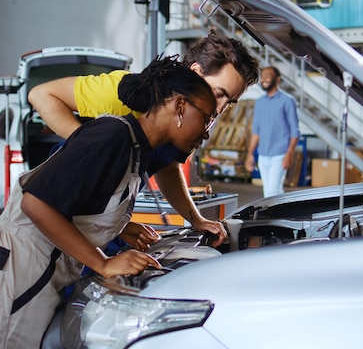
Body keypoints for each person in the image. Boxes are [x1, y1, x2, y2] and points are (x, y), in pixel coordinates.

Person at [0, 56, 218, 348]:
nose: (207, 131)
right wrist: (103, 262)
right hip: (14, 269)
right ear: (180, 106)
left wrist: (119, 227)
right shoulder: (113, 135)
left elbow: (78, 199)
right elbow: (35, 204)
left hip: (38, 271)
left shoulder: (136, 147)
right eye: (207, 117)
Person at [28, 31, 259, 248]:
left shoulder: (188, 121)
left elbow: (169, 169)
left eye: (229, 102)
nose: (219, 109)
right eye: (219, 94)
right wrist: (90, 147)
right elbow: (41, 95)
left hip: (98, 221)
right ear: (196, 72)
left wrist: (195, 219)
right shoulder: (123, 93)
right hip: (55, 215)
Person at [245, 66, 300, 198]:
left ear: (277, 79)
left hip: (280, 154)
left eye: (268, 75)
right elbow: (256, 131)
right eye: (262, 76)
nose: (264, 79)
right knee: (269, 191)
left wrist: (289, 154)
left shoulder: (287, 101)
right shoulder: (260, 103)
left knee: (273, 190)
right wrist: (250, 155)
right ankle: (281, 214)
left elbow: (295, 130)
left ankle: (277, 216)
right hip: (263, 155)